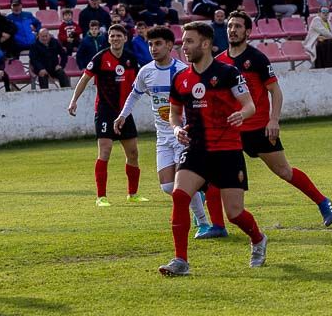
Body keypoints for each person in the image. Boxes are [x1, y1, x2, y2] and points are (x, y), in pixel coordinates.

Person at [198, 12, 332, 237]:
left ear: (248, 32)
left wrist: (273, 120)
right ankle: (218, 226)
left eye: (238, 27)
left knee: (284, 171)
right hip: (231, 131)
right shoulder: (219, 62)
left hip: (259, 128)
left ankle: (322, 202)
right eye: (230, 26)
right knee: (215, 177)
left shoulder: (257, 59)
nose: (232, 30)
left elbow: (275, 92)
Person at [159, 21, 264, 276]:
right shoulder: (181, 78)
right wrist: (175, 128)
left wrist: (242, 114)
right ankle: (180, 261)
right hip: (195, 148)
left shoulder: (228, 73)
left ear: (205, 44)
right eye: (183, 42)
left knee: (235, 214)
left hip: (227, 149)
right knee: (180, 195)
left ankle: (258, 239)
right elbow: (174, 112)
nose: (184, 47)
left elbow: (249, 105)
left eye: (190, 42)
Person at [113, 25, 212, 233]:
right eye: (150, 44)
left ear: (169, 45)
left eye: (158, 44)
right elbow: (134, 94)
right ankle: (198, 195)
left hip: (183, 134)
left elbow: (199, 99)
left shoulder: (182, 71)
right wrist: (122, 115)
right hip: (162, 137)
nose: (153, 48)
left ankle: (203, 222)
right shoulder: (146, 71)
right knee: (167, 187)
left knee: (181, 186)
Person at [67, 23, 145, 206]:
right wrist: (73, 100)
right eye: (112, 36)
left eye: (119, 36)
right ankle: (101, 197)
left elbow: (139, 84)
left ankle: (132, 194)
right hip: (104, 112)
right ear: (108, 39)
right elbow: (85, 79)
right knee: (105, 151)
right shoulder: (100, 58)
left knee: (133, 153)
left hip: (124, 113)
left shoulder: (131, 59)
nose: (115, 39)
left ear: (125, 38)